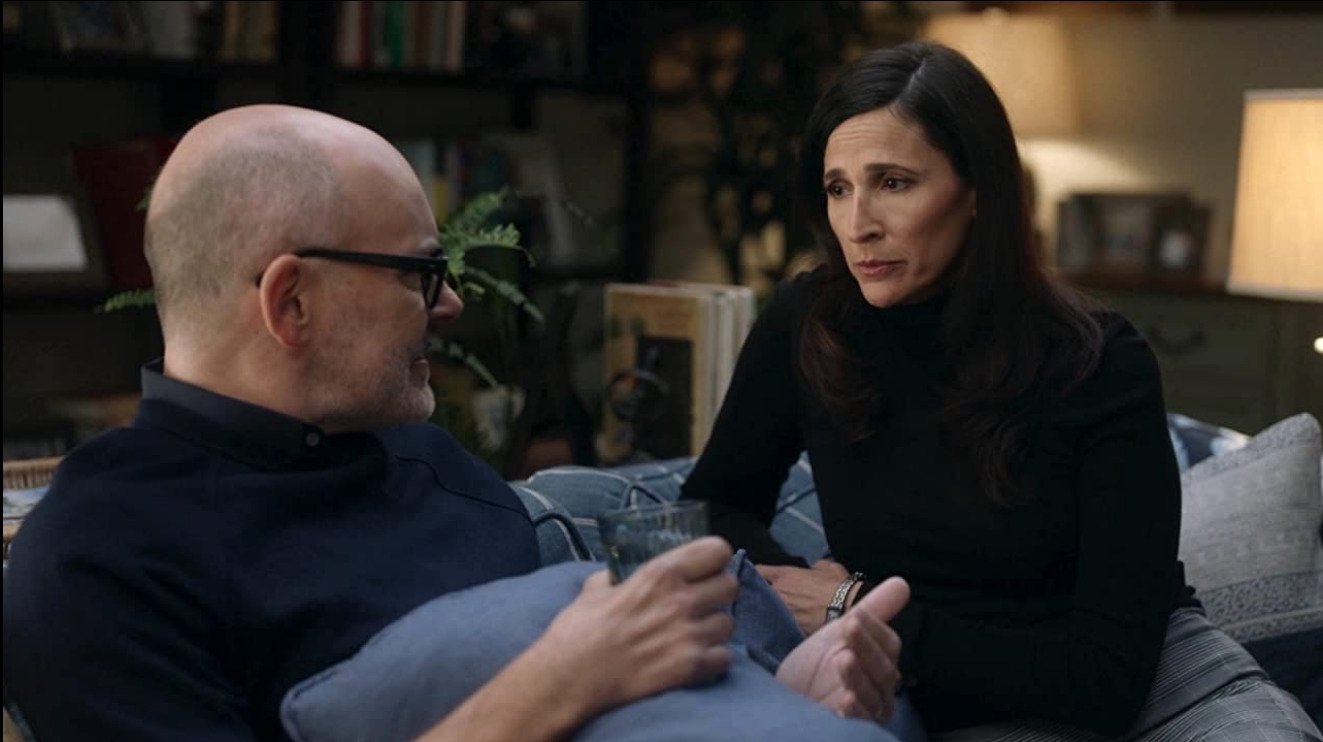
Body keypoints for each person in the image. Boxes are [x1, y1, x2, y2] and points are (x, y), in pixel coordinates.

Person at [1, 104, 913, 741]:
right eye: (420, 274)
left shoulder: (426, 462)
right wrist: (553, 684)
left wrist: (783, 689)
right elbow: (569, 676)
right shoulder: (99, 558)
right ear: (292, 302)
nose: (450, 305)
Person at [680, 41, 1320, 739]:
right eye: (838, 188)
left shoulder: (1098, 360)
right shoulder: (808, 324)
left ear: (977, 191)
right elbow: (713, 504)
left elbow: (1106, 680)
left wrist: (854, 607)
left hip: (1149, 684)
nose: (858, 223)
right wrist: (809, 598)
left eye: (893, 182)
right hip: (927, 687)